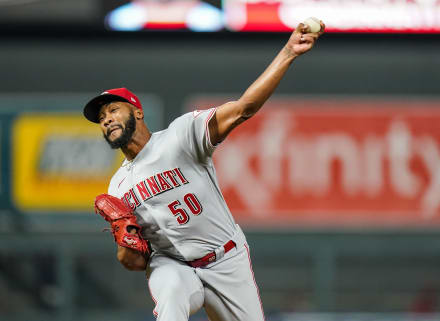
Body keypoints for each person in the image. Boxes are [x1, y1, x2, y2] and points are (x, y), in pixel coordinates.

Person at [83, 21, 324, 321]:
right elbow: (132, 260)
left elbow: (243, 108)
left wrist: (288, 52)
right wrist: (126, 241)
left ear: (137, 111)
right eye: (102, 117)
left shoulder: (180, 137)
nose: (106, 119)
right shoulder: (118, 186)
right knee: (170, 294)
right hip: (173, 265)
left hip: (226, 259)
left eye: (113, 110)